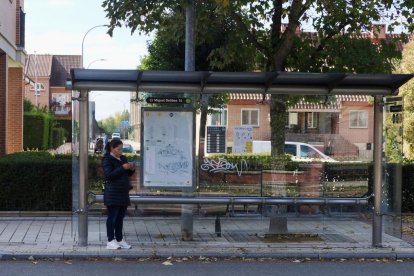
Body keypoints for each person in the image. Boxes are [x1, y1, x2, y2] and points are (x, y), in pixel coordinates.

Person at [102, 139, 135, 250]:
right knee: (112, 217)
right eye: (118, 149)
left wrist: (131, 169)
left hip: (123, 192)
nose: (121, 151)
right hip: (113, 192)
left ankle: (119, 239)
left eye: (122, 149)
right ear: (112, 148)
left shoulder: (123, 158)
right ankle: (110, 240)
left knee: (120, 217)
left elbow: (127, 173)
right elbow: (109, 175)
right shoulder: (107, 159)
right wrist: (122, 167)